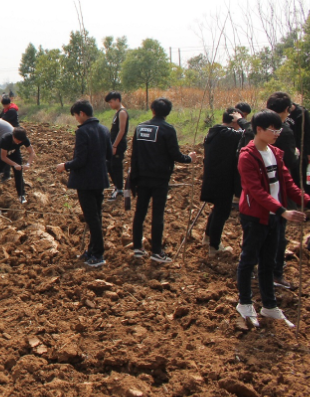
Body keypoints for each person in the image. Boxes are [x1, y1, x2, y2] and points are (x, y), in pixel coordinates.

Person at [235, 109, 310, 326]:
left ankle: (269, 305)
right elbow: (256, 192)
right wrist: (282, 211)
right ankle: (245, 303)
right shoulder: (247, 156)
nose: (278, 133)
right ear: (259, 130)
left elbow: (288, 184)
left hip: (274, 218)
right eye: (273, 129)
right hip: (255, 216)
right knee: (248, 260)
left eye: (279, 128)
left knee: (268, 261)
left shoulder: (275, 153)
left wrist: (305, 199)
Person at [130, 98, 197, 263]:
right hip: (160, 179)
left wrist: (132, 178)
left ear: (152, 110)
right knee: (157, 215)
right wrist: (190, 159)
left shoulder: (140, 128)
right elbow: (175, 155)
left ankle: (138, 247)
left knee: (139, 213)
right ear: (167, 112)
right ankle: (156, 252)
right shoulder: (168, 129)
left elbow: (134, 155)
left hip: (141, 177)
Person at [56, 100, 112, 267]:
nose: (76, 119)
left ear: (81, 113)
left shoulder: (82, 132)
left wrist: (64, 166)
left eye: (75, 115)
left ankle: (98, 255)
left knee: (92, 218)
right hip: (99, 179)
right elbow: (109, 154)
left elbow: (80, 160)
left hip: (86, 182)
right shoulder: (103, 129)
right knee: (96, 217)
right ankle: (91, 251)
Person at [201, 108, 251, 256]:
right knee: (222, 212)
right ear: (233, 121)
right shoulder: (227, 134)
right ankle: (214, 247)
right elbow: (251, 132)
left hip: (214, 177)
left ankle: (208, 238)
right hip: (223, 179)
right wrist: (241, 121)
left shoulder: (216, 131)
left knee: (218, 209)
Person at [268, 92, 300, 288]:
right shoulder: (284, 131)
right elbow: (290, 163)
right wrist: (295, 155)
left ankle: (265, 267)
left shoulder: (257, 126)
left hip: (262, 190)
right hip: (279, 189)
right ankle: (276, 272)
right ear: (287, 110)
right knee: (279, 231)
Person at [0, 120, 35, 202]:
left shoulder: (23, 139)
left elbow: (31, 152)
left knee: (18, 174)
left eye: (21, 141)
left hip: (14, 153)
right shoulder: (6, 139)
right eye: (18, 141)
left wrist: (28, 164)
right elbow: (3, 157)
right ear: (13, 136)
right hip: (1, 155)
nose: (20, 143)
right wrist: (14, 164)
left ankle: (21, 195)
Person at [105, 91, 129, 200]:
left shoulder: (122, 112)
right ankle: (116, 187)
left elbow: (122, 131)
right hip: (113, 144)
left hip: (118, 145)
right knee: (111, 166)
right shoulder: (117, 112)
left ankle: (119, 189)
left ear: (117, 100)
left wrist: (114, 146)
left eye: (111, 102)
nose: (110, 104)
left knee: (116, 166)